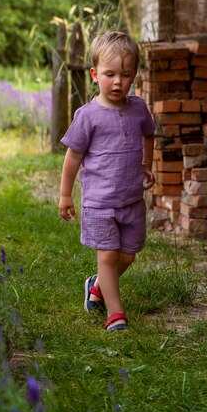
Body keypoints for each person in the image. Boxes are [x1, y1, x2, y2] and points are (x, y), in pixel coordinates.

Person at [58, 30, 155, 331]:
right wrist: (65, 195)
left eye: (125, 75)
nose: (117, 82)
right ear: (94, 74)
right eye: (109, 74)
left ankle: (96, 285)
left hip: (131, 200)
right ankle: (115, 314)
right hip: (99, 202)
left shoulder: (138, 108)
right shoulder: (88, 116)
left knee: (127, 255)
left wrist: (147, 164)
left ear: (134, 75)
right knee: (109, 254)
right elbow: (72, 157)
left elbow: (148, 134)